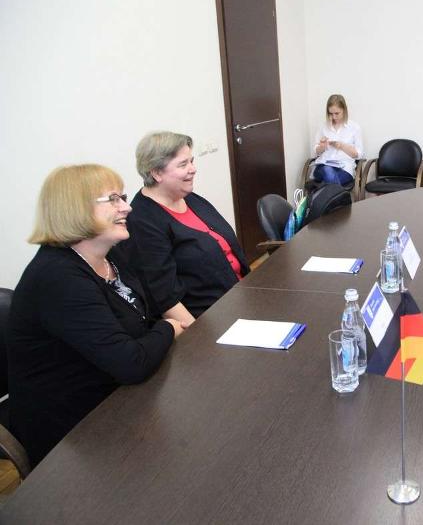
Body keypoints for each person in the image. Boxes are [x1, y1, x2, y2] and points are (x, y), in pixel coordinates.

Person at [7, 164, 184, 466]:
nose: (127, 207)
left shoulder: (109, 254)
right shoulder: (58, 277)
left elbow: (139, 323)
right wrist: (169, 327)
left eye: (123, 197)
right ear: (74, 209)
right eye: (113, 199)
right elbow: (131, 364)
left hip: (119, 396)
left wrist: (160, 330)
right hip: (73, 435)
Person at [122, 131, 249, 324]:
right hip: (209, 319)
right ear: (156, 173)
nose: (193, 169)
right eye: (183, 164)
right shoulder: (142, 221)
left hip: (241, 296)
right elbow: (163, 297)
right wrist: (198, 335)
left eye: (192, 161)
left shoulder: (189, 198)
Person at [310, 94, 364, 186]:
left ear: (344, 110)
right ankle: (337, 193)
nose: (334, 117)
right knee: (327, 170)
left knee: (329, 179)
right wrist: (322, 147)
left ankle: (324, 191)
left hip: (344, 169)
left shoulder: (354, 128)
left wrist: (342, 146)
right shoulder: (323, 126)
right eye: (330, 114)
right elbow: (316, 152)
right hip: (323, 166)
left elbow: (359, 155)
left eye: (337, 113)